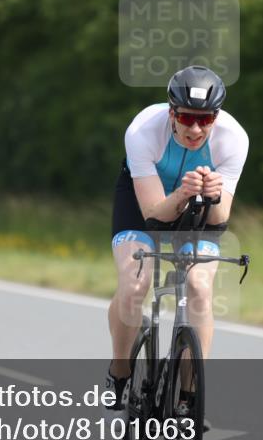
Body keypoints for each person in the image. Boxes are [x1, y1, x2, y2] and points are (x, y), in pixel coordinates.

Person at [106, 66, 249, 420]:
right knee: (135, 285)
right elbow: (155, 218)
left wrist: (212, 197)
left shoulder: (233, 139)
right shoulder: (143, 130)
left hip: (199, 207)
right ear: (172, 112)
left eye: (206, 119)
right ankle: (120, 372)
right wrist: (184, 191)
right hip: (145, 203)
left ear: (216, 117)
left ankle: (188, 394)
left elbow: (220, 223)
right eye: (186, 117)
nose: (196, 129)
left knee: (199, 287)